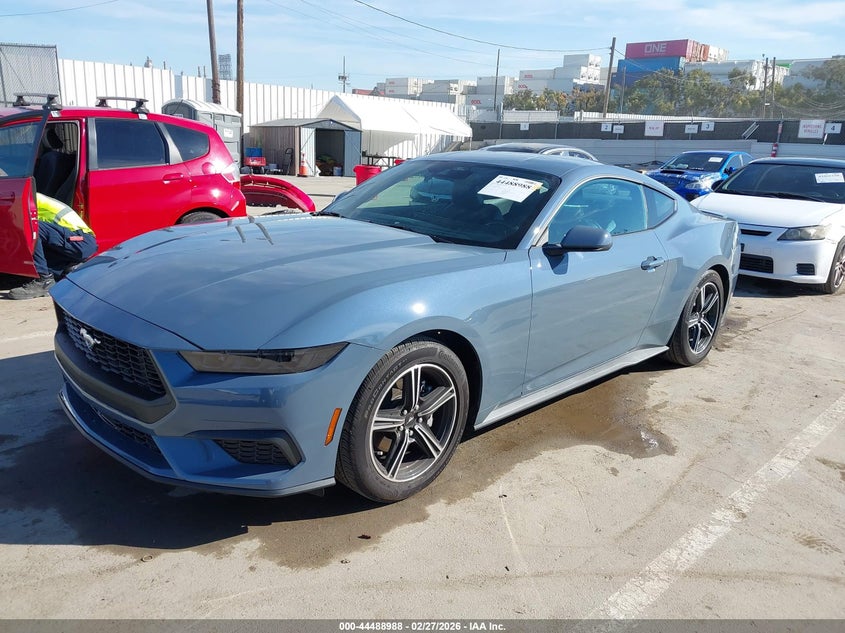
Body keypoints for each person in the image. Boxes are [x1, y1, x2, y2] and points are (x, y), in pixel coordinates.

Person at [8, 193, 98, 300]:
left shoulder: (26, 198)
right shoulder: (19, 196)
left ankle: (44, 280)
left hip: (81, 240)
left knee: (31, 227)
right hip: (70, 243)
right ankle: (69, 266)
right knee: (23, 231)